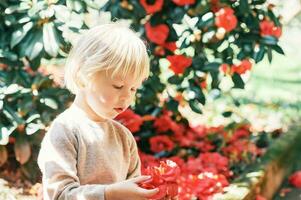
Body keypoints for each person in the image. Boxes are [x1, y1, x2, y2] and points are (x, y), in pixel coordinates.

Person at [37, 22, 159, 200]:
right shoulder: (65, 131)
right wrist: (111, 194)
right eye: (118, 86)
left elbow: (133, 191)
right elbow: (60, 195)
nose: (127, 97)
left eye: (133, 89)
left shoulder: (123, 137)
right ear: (84, 77)